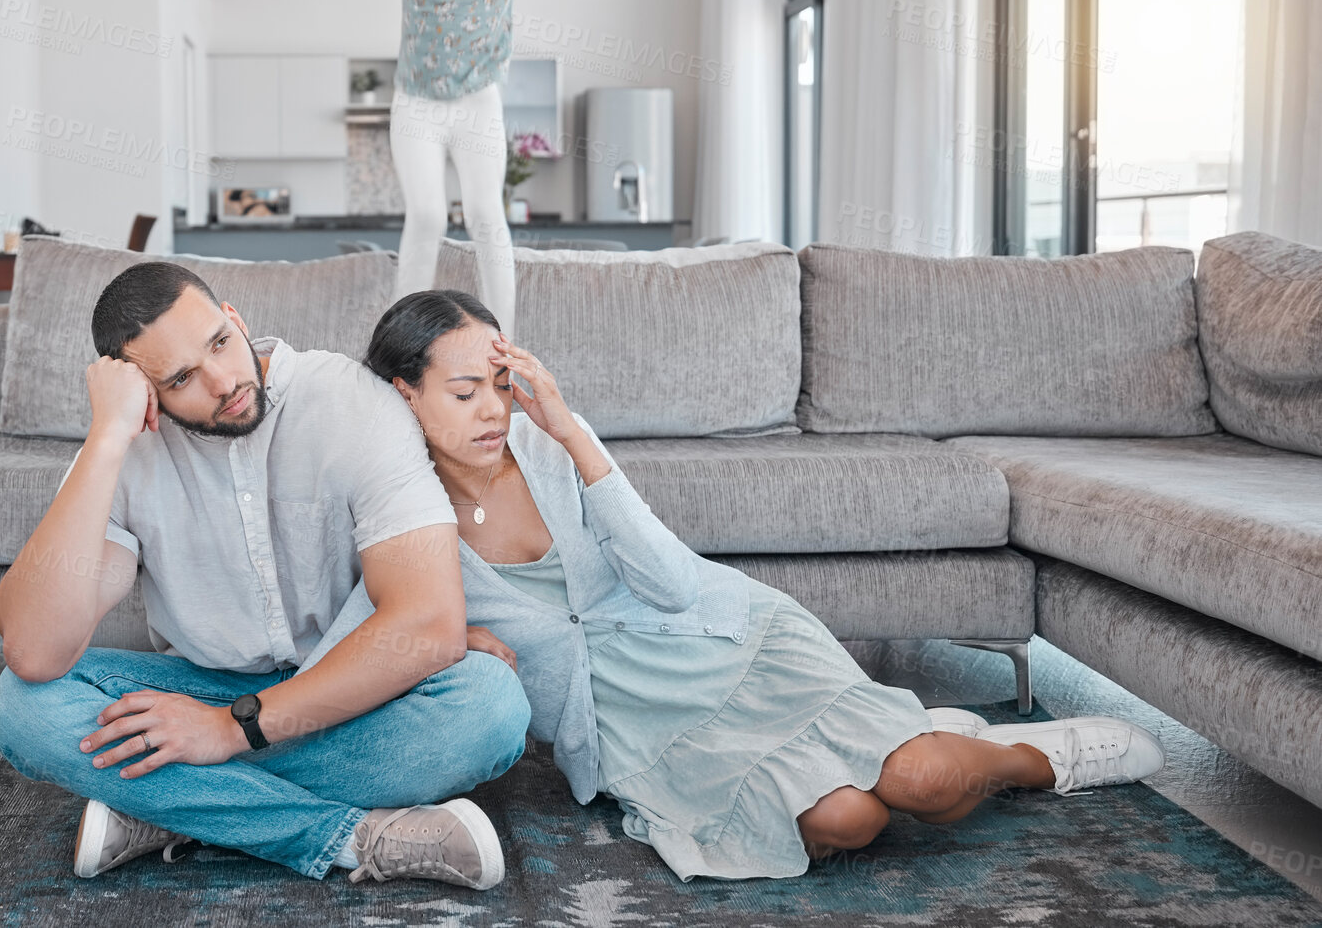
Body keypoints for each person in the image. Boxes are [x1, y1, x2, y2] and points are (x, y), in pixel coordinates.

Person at [346, 289, 1167, 881]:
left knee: (928, 781)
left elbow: (670, 584)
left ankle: (1033, 759)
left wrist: (570, 432)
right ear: (402, 394)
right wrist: (454, 642)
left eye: (500, 383)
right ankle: (914, 730)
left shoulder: (553, 444)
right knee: (850, 818)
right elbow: (359, 641)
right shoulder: (393, 519)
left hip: (725, 644)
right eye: (464, 392)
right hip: (640, 727)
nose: (493, 410)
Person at [0, 264, 531, 889]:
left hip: (350, 689)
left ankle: (176, 812)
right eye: (183, 378)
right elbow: (35, 649)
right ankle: (356, 839)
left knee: (488, 706)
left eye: (220, 341)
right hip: (201, 686)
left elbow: (429, 626)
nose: (224, 382)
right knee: (23, 705)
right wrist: (107, 438)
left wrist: (229, 731)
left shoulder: (352, 402)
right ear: (146, 393)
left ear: (237, 320)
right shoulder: (127, 451)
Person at [187, 0, 736, 339]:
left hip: (478, 102)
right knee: (425, 218)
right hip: (416, 104)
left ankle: (506, 345)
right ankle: (399, 344)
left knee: (486, 218)